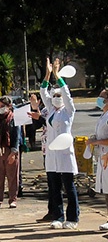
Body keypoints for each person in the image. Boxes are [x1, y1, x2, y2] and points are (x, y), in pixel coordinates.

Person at [41, 56, 79, 229]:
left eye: (58, 95)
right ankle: (58, 216)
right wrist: (48, 75)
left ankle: (72, 218)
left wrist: (58, 75)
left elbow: (66, 93)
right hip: (52, 155)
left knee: (69, 187)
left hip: (64, 154)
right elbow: (43, 92)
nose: (56, 97)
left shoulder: (68, 111)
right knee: (55, 188)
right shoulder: (50, 111)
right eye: (54, 95)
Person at [0, 95, 20, 209]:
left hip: (10, 150)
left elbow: (16, 136)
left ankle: (13, 199)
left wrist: (13, 152)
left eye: (2, 106)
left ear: (9, 106)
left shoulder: (14, 119)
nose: (0, 108)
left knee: (12, 177)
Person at [87, 87, 108, 230]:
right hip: (102, 155)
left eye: (102, 97)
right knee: (106, 190)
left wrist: (95, 142)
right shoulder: (103, 116)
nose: (99, 100)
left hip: (107, 155)